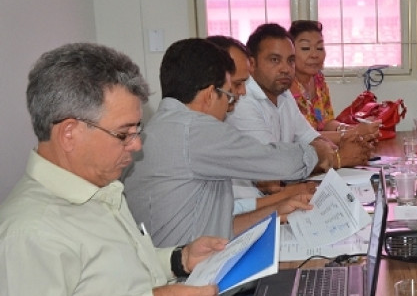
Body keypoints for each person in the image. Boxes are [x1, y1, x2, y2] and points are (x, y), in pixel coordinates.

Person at [0, 43, 330, 296]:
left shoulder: (100, 191)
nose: (138, 145)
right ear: (70, 133)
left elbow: (113, 277)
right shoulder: (30, 230)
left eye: (137, 129)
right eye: (124, 133)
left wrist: (178, 259)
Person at [124, 38, 328, 248]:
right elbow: (283, 164)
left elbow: (216, 228)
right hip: (185, 272)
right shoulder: (194, 130)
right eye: (230, 93)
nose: (237, 98)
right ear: (210, 95)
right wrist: (319, 152)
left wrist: (275, 211)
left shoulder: (168, 126)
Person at [228, 23, 376, 175]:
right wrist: (338, 158)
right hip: (253, 195)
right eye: (274, 60)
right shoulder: (242, 100)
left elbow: (311, 138)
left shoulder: (283, 94)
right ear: (251, 64)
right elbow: (272, 163)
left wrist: (352, 147)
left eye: (290, 60)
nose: (285, 69)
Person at [208, 34, 316, 215]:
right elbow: (274, 165)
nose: (242, 92)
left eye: (290, 60)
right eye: (236, 83)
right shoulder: (198, 134)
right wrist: (282, 198)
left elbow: (230, 212)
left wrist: (277, 202)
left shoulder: (216, 125)